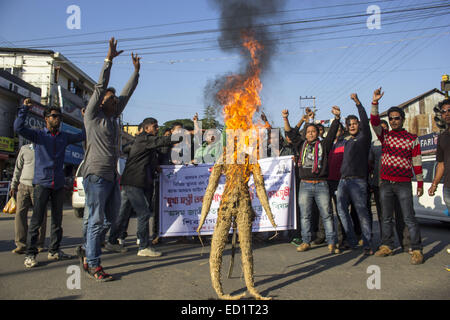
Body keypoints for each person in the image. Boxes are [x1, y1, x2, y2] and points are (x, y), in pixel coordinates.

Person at [79, 37, 140, 281]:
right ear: (100, 102)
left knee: (109, 220)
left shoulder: (114, 117)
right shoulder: (93, 116)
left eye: (115, 100)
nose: (115, 100)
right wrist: (108, 61)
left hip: (111, 176)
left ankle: (87, 251)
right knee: (96, 221)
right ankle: (93, 264)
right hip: (95, 175)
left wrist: (135, 72)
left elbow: (127, 93)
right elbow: (99, 88)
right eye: (110, 98)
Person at [14, 99, 85, 268]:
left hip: (58, 184)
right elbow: (18, 128)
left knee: (57, 220)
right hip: (41, 184)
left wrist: (84, 119)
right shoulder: (38, 135)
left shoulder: (63, 137)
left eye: (59, 116)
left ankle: (54, 250)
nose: (57, 119)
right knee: (37, 220)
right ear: (46, 119)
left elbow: (82, 135)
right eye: (54, 116)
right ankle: (31, 254)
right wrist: (24, 109)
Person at [108, 117, 179, 257]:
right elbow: (163, 141)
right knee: (144, 213)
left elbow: (147, 157)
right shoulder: (145, 139)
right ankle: (143, 246)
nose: (157, 128)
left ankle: (112, 241)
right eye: (155, 126)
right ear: (147, 129)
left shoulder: (143, 142)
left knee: (123, 213)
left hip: (132, 181)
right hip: (135, 182)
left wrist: (155, 167)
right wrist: (181, 135)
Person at [370, 87, 425, 265]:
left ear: (403, 119)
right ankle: (387, 246)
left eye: (397, 118)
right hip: (385, 183)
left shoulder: (412, 138)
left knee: (409, 217)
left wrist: (420, 183)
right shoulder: (385, 136)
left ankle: (416, 249)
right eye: (391, 118)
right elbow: (374, 120)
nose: (394, 121)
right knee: (386, 217)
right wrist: (375, 102)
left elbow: (417, 161)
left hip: (403, 184)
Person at [283, 106, 342, 254]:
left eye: (313, 131)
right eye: (308, 132)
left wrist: (336, 118)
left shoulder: (323, 145)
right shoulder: (301, 144)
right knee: (305, 215)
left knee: (327, 215)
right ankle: (306, 241)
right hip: (305, 185)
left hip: (321, 184)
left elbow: (332, 133)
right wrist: (285, 118)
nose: (310, 134)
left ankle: (332, 243)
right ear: (305, 134)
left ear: (317, 133)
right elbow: (291, 133)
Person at [336, 93, 373, 255]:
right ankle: (351, 240)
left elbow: (365, 121)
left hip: (358, 182)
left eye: (354, 123)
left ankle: (367, 244)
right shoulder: (346, 141)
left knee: (362, 213)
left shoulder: (364, 138)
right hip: (343, 182)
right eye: (349, 124)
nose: (352, 126)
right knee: (341, 211)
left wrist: (358, 103)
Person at [369, 120, 410, 251]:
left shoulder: (396, 142)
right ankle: (386, 243)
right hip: (379, 184)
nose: (382, 131)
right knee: (384, 216)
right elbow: (370, 165)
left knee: (400, 214)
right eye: (380, 129)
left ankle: (406, 243)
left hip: (398, 182)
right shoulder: (373, 145)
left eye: (384, 128)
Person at [10, 143, 47, 254]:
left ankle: (38, 244)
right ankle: (21, 244)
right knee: (20, 214)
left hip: (39, 186)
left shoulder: (44, 148)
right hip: (23, 185)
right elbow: (18, 168)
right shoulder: (24, 149)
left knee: (40, 215)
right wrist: (13, 185)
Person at [429, 99, 450, 210]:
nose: (446, 113)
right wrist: (434, 184)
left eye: (449, 110)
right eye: (443, 111)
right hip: (448, 186)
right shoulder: (442, 137)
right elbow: (441, 164)